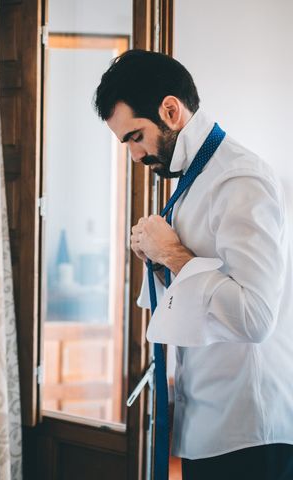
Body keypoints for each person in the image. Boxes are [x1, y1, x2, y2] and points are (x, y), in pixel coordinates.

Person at [94, 49, 293, 480]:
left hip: (248, 429)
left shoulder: (240, 179)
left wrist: (174, 255)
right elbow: (202, 292)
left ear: (170, 110)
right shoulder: (191, 181)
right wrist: (158, 260)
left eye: (135, 137)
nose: (134, 156)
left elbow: (255, 316)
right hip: (208, 418)